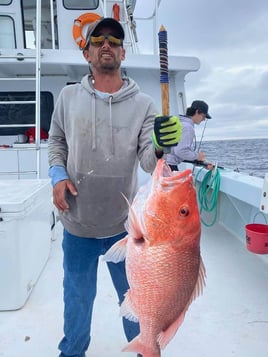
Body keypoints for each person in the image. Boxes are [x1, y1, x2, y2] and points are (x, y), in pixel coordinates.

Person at [48, 17, 182, 357]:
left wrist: (161, 144)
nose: (105, 44)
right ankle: (72, 352)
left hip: (126, 231)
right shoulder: (66, 97)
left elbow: (150, 164)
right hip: (77, 225)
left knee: (137, 302)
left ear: (122, 52)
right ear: (87, 53)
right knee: (77, 302)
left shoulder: (145, 105)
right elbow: (56, 142)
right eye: (98, 40)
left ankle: (145, 350)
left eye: (113, 40)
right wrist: (57, 175)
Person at [166, 100, 212, 171]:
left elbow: (175, 152)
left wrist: (202, 163)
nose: (203, 119)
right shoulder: (188, 127)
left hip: (161, 165)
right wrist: (197, 156)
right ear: (197, 112)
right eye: (203, 116)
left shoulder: (179, 122)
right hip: (169, 166)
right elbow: (181, 151)